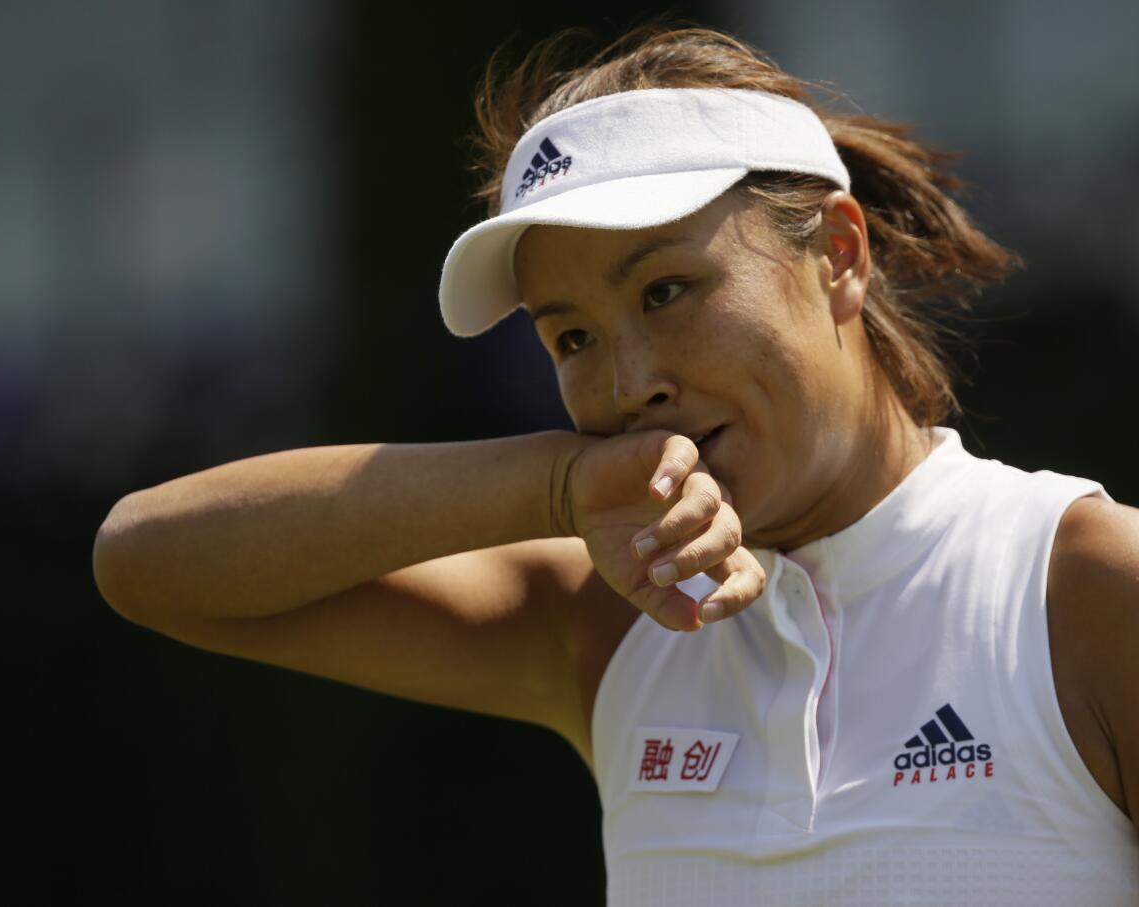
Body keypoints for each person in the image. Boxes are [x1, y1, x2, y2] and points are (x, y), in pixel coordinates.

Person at [93, 25, 1139, 905]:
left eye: (666, 292)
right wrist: (553, 487)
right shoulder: (606, 619)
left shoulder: (1084, 584)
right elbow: (149, 558)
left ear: (840, 257)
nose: (629, 380)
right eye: (573, 338)